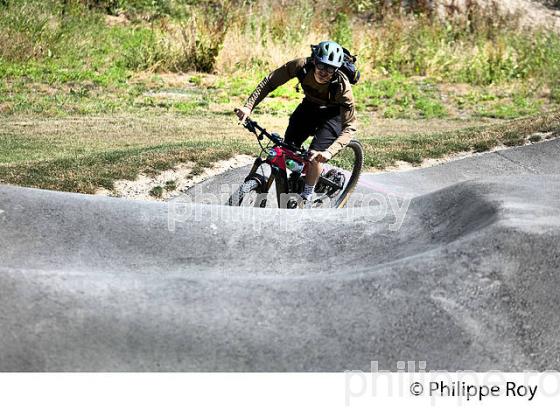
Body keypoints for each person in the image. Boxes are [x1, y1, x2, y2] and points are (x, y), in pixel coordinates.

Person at [235, 40, 357, 201]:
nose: (324, 72)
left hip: (333, 115)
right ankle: (299, 174)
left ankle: (306, 196)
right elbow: (270, 81)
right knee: (288, 147)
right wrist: (248, 107)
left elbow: (350, 127)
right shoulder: (300, 66)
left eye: (330, 68)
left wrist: (328, 153)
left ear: (336, 69)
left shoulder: (342, 87)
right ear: (314, 61)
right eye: (321, 65)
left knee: (315, 155)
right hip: (309, 107)